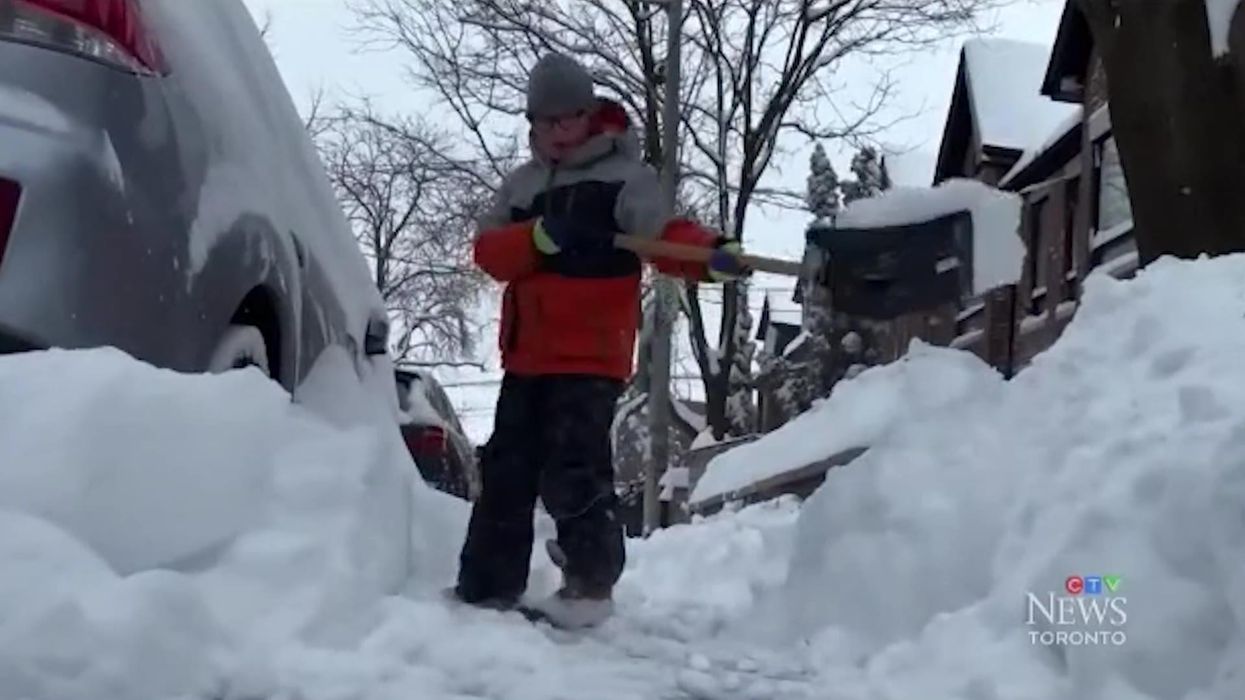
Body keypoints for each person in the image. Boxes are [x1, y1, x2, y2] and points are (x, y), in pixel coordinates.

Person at [452, 52, 748, 628]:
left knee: (574, 465)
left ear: (590, 116)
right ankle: (486, 589)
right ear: (532, 122)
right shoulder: (522, 186)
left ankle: (590, 584)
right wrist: (537, 237)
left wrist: (711, 257)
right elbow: (488, 252)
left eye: (573, 118)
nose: (562, 131)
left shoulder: (624, 180)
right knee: (508, 469)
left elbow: (665, 238)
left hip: (591, 354)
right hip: (526, 354)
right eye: (549, 121)